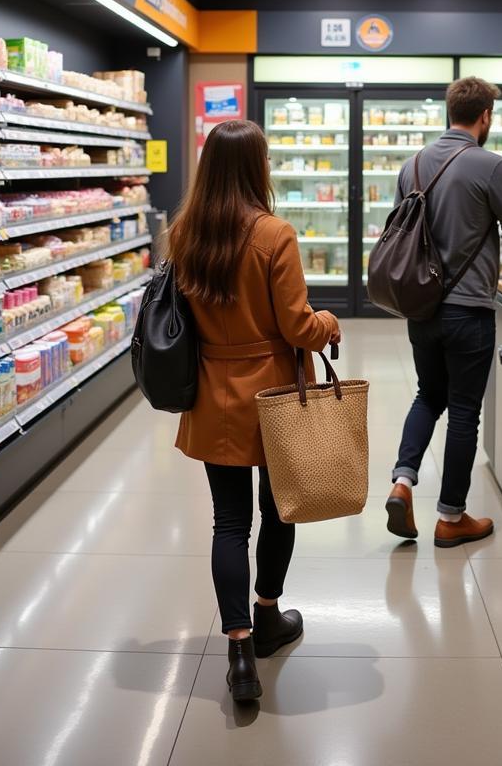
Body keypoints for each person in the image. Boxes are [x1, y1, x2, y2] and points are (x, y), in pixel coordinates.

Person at [168, 119, 341, 703]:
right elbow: (297, 325)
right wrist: (328, 323)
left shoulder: (185, 233)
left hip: (213, 389)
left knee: (228, 522)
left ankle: (239, 652)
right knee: (279, 510)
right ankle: (268, 617)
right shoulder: (275, 234)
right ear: (257, 167)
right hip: (273, 393)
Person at [386, 77, 502, 547]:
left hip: (421, 308)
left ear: (450, 109)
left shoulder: (412, 166)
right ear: (485, 116)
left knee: (427, 396)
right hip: (469, 308)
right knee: (465, 412)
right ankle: (451, 517)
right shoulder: (490, 166)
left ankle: (402, 482)